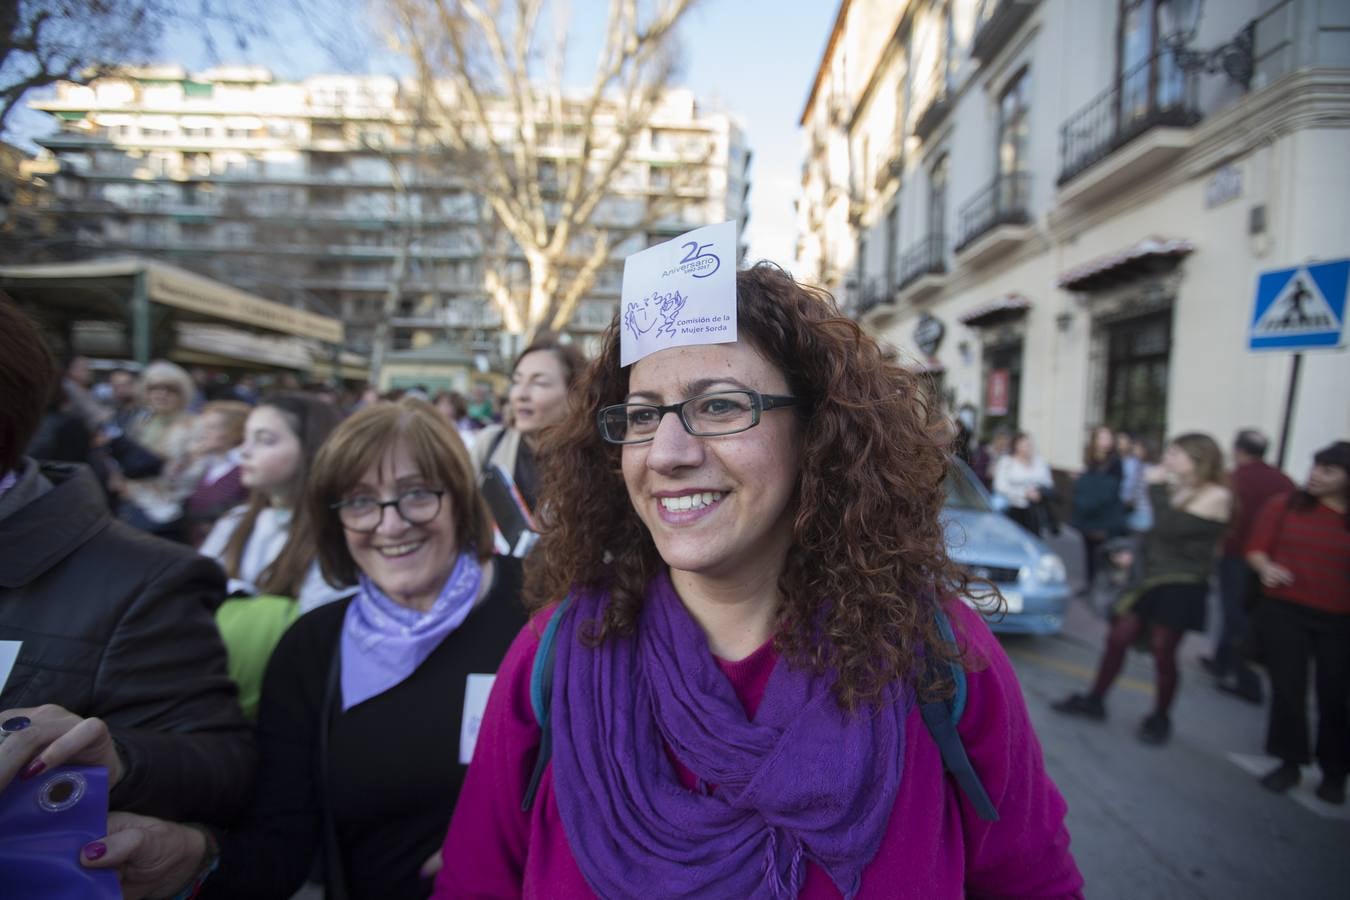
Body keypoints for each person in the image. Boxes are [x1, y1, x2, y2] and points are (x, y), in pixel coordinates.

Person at [433, 264, 1082, 897]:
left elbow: (1035, 881)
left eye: (719, 406)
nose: (667, 453)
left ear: (816, 431)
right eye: (640, 416)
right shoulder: (555, 653)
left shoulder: (938, 653)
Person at [81, 398, 529, 899]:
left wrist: (518, 841)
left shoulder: (539, 614)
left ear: (461, 499)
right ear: (334, 518)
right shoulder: (312, 650)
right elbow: (282, 844)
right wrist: (192, 856)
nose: (391, 524)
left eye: (417, 493)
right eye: (360, 501)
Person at [0, 296, 254, 826]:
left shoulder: (151, 581)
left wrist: (118, 759)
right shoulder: (130, 420)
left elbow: (221, 773)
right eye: (152, 389)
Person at [1053, 433, 1232, 745]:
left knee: (1164, 650)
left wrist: (1157, 485)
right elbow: (1160, 536)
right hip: (1149, 579)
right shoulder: (1179, 490)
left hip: (1181, 584)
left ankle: (1161, 716)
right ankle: (1095, 700)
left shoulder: (1216, 495)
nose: (1168, 459)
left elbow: (1169, 526)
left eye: (1176, 454)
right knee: (1118, 637)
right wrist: (1132, 554)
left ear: (1198, 459)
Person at [1245, 441, 1350, 805]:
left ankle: (1335, 772)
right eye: (1315, 467)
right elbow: (1256, 549)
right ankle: (1289, 761)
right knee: (1288, 690)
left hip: (1339, 619)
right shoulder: (1285, 505)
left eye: (1328, 470)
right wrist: (1266, 567)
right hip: (1285, 612)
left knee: (1335, 696)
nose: (1316, 475)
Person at [198, 394, 351, 611]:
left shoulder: (337, 535)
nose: (244, 451)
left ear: (311, 449)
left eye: (265, 440)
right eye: (245, 437)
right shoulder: (235, 521)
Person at [1200, 429, 1295, 703]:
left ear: (1238, 450)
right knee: (1242, 613)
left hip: (1237, 554)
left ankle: (1247, 680)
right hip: (1268, 558)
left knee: (1236, 615)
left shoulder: (1234, 480)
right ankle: (1221, 660)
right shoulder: (1283, 481)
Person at [471, 335, 587, 512]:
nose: (521, 395)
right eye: (517, 382)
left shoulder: (594, 459)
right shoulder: (488, 444)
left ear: (575, 395)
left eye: (539, 383)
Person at [115, 360, 200, 541]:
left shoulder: (192, 425)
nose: (161, 395)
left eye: (170, 390)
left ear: (182, 395)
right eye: (155, 389)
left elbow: (194, 472)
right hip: (132, 506)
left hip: (168, 514)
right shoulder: (141, 421)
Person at [183, 400, 252, 547]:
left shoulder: (246, 470)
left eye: (211, 428)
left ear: (235, 432)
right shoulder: (205, 465)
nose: (202, 433)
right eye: (202, 427)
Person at [1072, 425, 1126, 584]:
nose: (1105, 441)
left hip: (1104, 516)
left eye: (1108, 437)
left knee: (1106, 553)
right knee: (1088, 551)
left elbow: (1111, 490)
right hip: (1087, 516)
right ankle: (1089, 583)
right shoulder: (1090, 461)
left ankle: (1103, 586)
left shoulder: (1115, 463)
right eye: (1102, 437)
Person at [993, 431, 1056, 536]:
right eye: (1025, 444)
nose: (1029, 447)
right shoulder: (1007, 462)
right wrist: (1024, 493)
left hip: (1035, 510)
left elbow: (1048, 483)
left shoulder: (1040, 462)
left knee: (1035, 540)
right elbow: (1000, 486)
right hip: (1012, 508)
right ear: (1016, 445)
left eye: (1030, 444)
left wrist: (1038, 492)